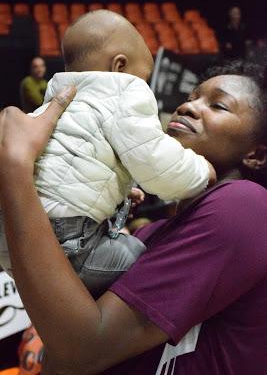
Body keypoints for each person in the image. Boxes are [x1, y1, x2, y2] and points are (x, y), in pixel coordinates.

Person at [0, 60, 266, 375]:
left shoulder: (246, 204)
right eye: (191, 97)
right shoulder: (146, 237)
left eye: (217, 105)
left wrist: (16, 166)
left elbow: (79, 351)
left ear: (256, 155)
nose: (187, 107)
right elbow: (58, 349)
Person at [0, 10, 215, 296]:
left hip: (10, 235)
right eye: (145, 77)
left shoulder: (56, 102)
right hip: (64, 237)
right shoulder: (125, 91)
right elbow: (156, 163)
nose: (145, 85)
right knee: (142, 257)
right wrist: (201, 171)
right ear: (120, 66)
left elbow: (71, 168)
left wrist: (119, 190)